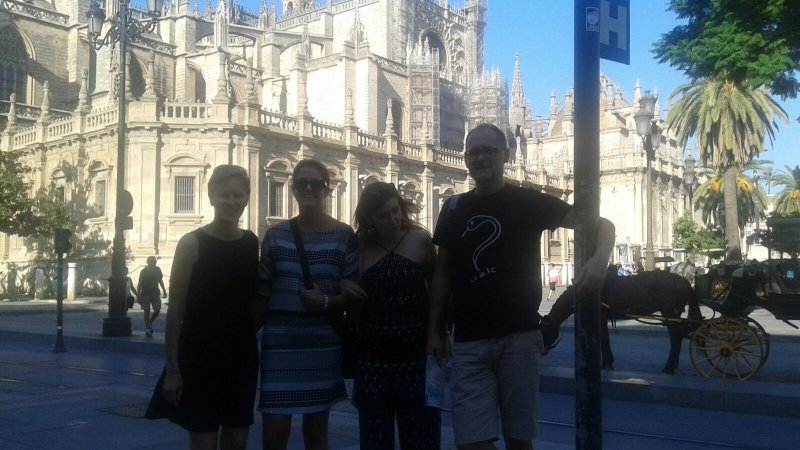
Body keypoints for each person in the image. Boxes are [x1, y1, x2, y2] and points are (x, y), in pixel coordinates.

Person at [426, 123, 615, 450]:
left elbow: (602, 225)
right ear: (466, 158)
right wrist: (435, 331)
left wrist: (600, 260)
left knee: (518, 438)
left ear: (506, 155)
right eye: (474, 152)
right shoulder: (454, 207)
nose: (481, 157)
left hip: (520, 337)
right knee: (469, 442)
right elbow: (442, 273)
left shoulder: (529, 202)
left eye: (489, 151)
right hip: (469, 340)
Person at [145, 164, 259, 449]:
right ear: (210, 196)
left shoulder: (251, 242)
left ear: (247, 197)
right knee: (204, 441)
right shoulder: (191, 243)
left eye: (238, 195)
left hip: (240, 355)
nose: (231, 201)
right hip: (199, 354)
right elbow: (176, 309)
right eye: (224, 195)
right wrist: (173, 371)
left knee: (237, 440)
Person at [257, 159, 359, 450]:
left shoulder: (343, 236)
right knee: (274, 435)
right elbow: (261, 293)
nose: (309, 188)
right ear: (292, 188)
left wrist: (325, 300)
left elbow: (354, 294)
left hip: (321, 346)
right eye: (302, 183)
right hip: (279, 347)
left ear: (328, 189)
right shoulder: (275, 236)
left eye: (316, 183)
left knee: (316, 434)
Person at [349, 182, 441, 450]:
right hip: (372, 360)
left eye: (395, 211)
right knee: (374, 439)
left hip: (416, 357)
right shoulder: (359, 249)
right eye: (383, 215)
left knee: (422, 438)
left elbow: (438, 292)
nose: (393, 219)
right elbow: (343, 282)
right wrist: (343, 284)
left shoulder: (420, 240)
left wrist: (438, 334)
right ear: (369, 219)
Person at [137, 255, 167, 336]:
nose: (153, 263)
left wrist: (164, 290)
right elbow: (140, 283)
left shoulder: (158, 270)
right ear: (148, 262)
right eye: (151, 261)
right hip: (145, 293)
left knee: (157, 310)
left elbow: (160, 280)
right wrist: (138, 295)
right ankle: (147, 328)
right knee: (146, 311)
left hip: (155, 293)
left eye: (154, 262)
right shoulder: (143, 271)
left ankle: (150, 322)